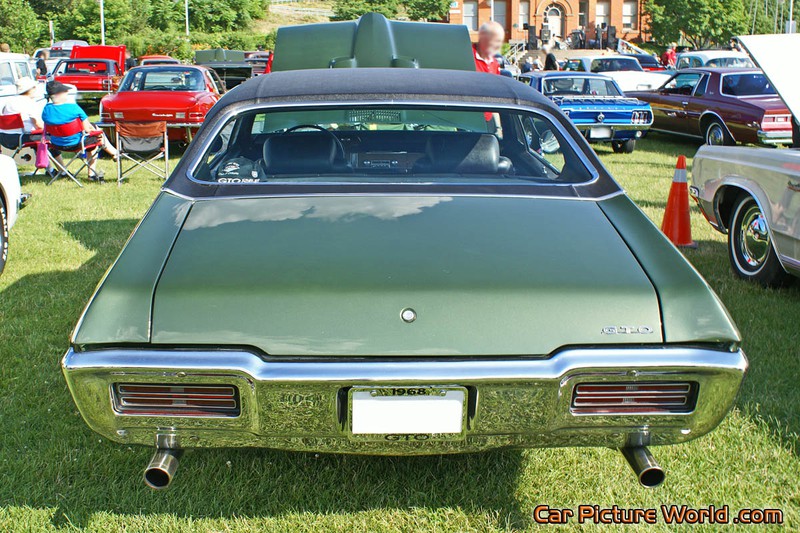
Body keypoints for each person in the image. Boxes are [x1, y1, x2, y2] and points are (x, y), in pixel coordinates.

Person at [42, 81, 118, 183]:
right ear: (59, 94)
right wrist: (95, 129)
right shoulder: (73, 108)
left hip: (56, 144)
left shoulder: (46, 110)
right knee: (95, 137)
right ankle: (93, 172)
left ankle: (114, 153)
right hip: (77, 143)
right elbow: (87, 129)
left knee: (94, 133)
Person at [0, 78, 44, 149]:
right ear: (30, 89)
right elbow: (38, 125)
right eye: (34, 87)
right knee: (50, 137)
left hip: (3, 137)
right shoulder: (29, 102)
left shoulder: (9, 102)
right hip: (21, 137)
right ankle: (50, 160)